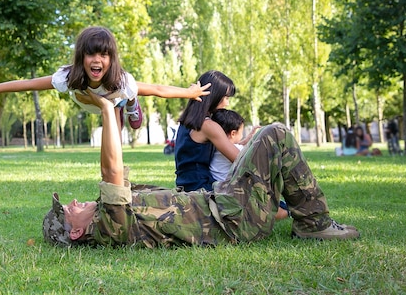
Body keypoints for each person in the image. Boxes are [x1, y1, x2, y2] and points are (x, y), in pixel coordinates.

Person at [42, 90, 359, 247]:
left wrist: (114, 104)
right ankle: (314, 224)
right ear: (76, 231)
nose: (71, 202)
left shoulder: (113, 216)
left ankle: (308, 220)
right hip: (235, 220)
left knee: (271, 137)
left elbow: (112, 170)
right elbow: (111, 170)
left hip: (225, 202)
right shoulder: (111, 226)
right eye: (66, 211)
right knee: (276, 133)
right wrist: (106, 106)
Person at [0, 26, 209, 130]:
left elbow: (156, 88)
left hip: (113, 99)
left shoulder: (121, 80)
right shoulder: (67, 77)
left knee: (124, 102)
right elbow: (30, 84)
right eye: (91, 54)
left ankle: (131, 104)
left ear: (111, 59)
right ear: (81, 57)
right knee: (112, 105)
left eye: (103, 55)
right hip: (88, 100)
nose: (96, 60)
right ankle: (124, 105)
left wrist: (189, 92)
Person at [174, 70, 255, 192]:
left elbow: (229, 148)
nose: (227, 103)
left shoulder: (188, 121)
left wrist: (248, 140)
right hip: (202, 190)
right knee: (279, 209)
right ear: (214, 96)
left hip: (187, 185)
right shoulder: (208, 125)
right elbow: (241, 160)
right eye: (226, 97)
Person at [210, 109, 289, 220]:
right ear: (233, 133)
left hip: (224, 190)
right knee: (282, 210)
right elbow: (252, 155)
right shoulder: (235, 150)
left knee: (279, 205)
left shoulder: (217, 148)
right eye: (241, 133)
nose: (242, 136)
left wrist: (248, 139)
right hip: (235, 194)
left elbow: (240, 147)